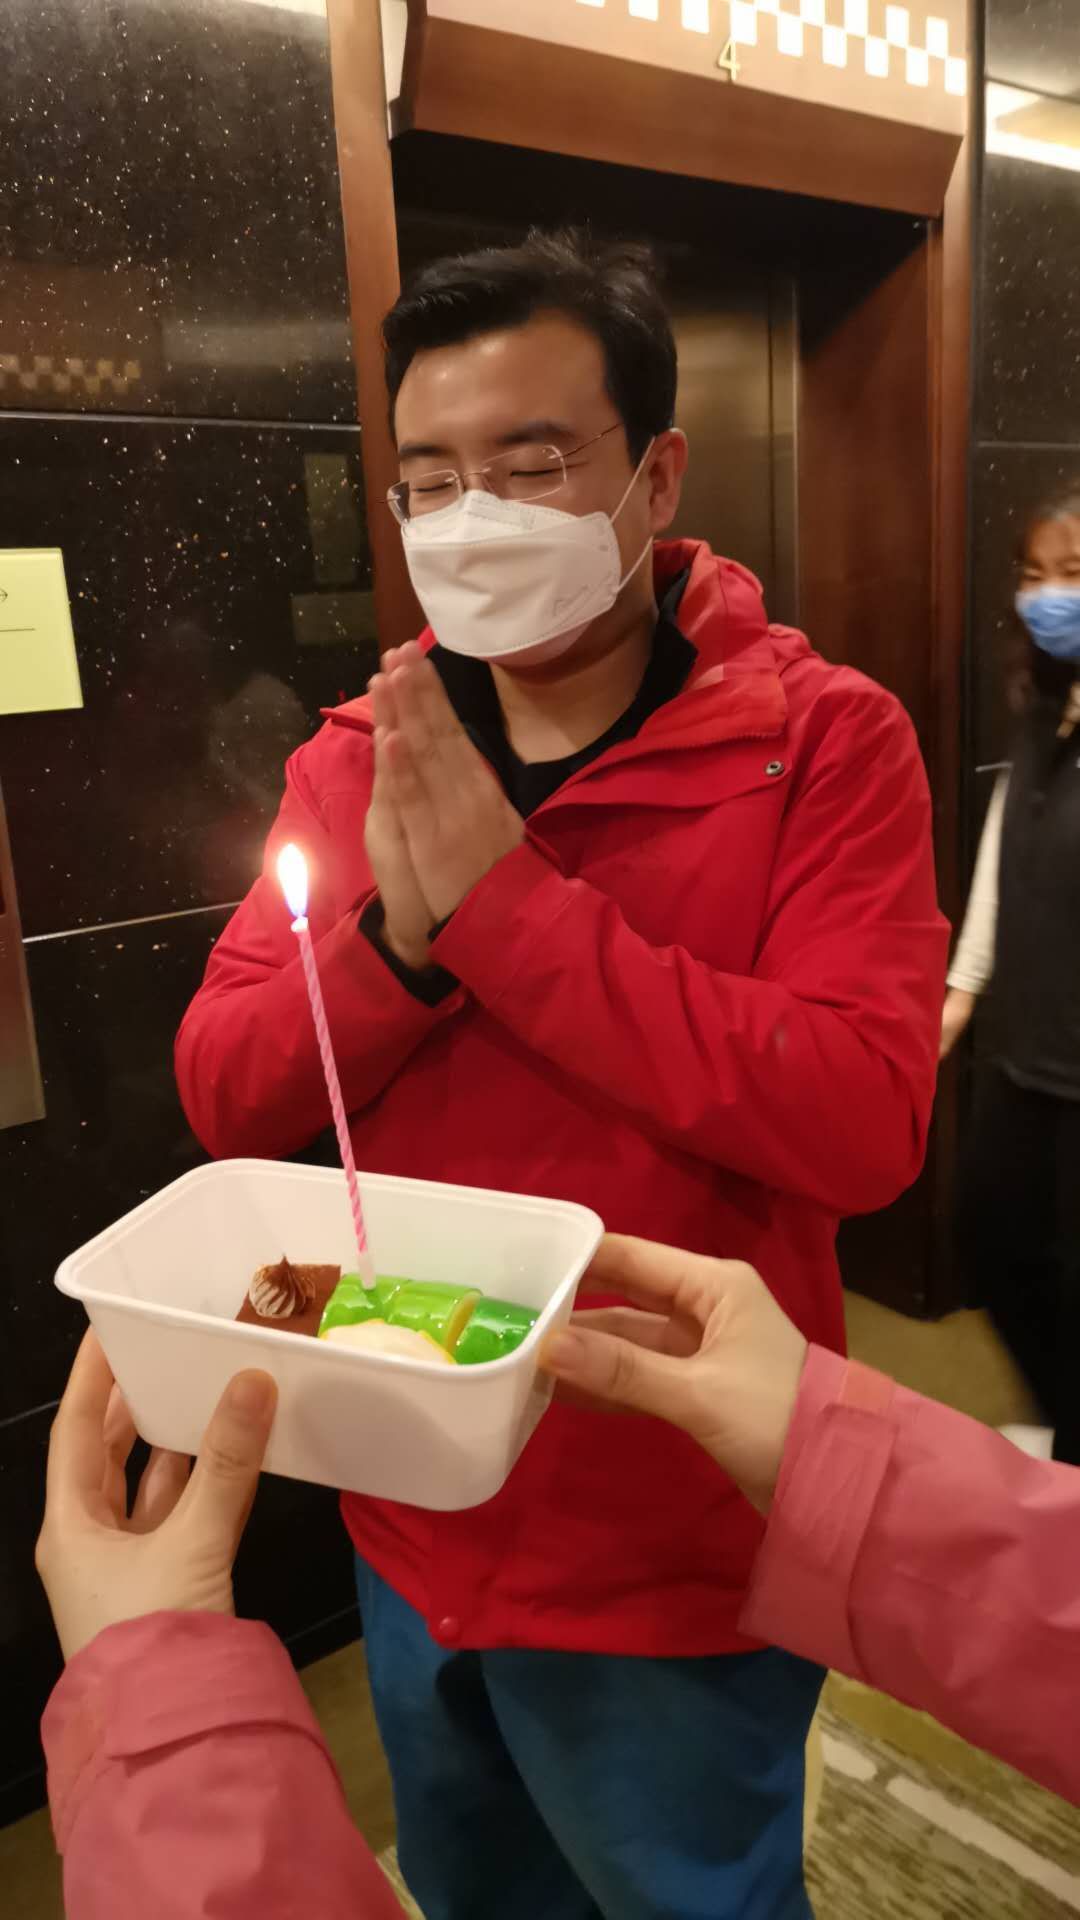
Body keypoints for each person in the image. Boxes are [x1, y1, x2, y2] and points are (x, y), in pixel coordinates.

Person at [175, 229, 947, 1920]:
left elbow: (864, 1119)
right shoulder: (359, 758)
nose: (474, 518)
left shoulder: (823, 741)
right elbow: (228, 1086)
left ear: (655, 476)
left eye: (531, 465)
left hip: (674, 1530)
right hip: (410, 1485)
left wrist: (511, 917)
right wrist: (400, 947)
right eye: (430, 478)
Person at [38, 1258, 1080, 1920]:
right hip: (414, 1558)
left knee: (685, 1874)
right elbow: (229, 1073)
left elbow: (867, 1120)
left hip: (657, 1563)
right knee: (475, 1866)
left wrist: (153, 1702)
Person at [940, 487, 1080, 1466]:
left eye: (1073, 573)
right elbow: (1004, 852)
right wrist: (956, 1000)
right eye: (1034, 575)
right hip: (1023, 1056)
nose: (1049, 596)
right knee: (993, 1248)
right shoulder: (1044, 702)